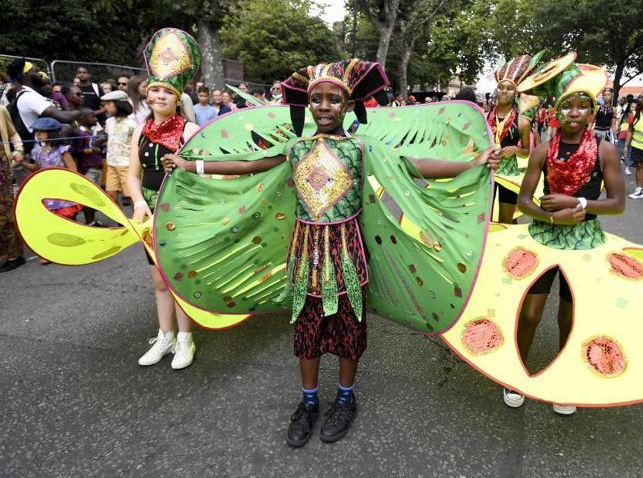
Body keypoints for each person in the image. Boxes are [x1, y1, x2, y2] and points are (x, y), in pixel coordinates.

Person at [161, 58, 501, 447]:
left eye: (333, 100)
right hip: (305, 252)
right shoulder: (295, 147)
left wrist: (471, 162)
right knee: (306, 328)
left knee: (347, 328)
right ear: (307, 105)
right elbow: (250, 165)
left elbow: (412, 166)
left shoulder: (360, 147)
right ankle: (307, 402)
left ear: (348, 105)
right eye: (316, 99)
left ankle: (345, 397)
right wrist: (191, 165)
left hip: (347, 253)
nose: (324, 106)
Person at [505, 65, 624, 415]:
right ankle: (515, 374)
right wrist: (553, 216)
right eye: (567, 106)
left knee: (569, 317)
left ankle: (564, 378)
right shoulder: (542, 151)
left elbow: (618, 204)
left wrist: (579, 203)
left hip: (584, 242)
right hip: (544, 238)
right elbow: (525, 201)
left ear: (592, 112)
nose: (575, 113)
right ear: (556, 111)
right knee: (530, 313)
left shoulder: (605, 151)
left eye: (582, 106)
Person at [126, 29, 202, 369]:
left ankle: (186, 339)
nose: (158, 95)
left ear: (177, 97)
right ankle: (165, 336)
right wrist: (139, 203)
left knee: (178, 275)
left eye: (165, 91)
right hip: (149, 214)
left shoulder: (189, 131)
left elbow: (209, 171)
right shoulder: (139, 132)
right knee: (158, 278)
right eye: (154, 89)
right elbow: (131, 175)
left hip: (180, 212)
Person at [17, 118, 83, 240]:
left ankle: (75, 247)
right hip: (47, 192)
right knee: (53, 220)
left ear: (52, 133)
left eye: (42, 132)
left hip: (63, 192)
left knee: (68, 220)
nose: (38, 135)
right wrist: (22, 163)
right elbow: (36, 168)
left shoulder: (63, 151)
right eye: (37, 132)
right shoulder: (37, 151)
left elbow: (74, 172)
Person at [487, 56, 533, 224]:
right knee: (484, 220)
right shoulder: (484, 118)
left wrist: (515, 149)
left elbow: (526, 152)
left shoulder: (522, 121)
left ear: (516, 93)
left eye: (509, 88)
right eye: (501, 87)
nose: (504, 91)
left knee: (506, 221)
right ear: (496, 90)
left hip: (509, 175)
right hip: (487, 172)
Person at [6, 59, 80, 151]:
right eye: (36, 71)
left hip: (46, 150)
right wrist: (82, 112)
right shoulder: (28, 97)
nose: (40, 73)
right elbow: (65, 117)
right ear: (26, 76)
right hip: (44, 153)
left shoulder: (31, 94)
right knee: (66, 127)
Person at [0, 104, 25, 272]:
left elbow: (13, 133)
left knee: (4, 210)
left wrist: (18, 149)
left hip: (1, 164)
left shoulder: (0, 110)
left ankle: (14, 255)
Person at [70, 109, 106, 226]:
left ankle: (92, 220)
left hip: (97, 166)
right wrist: (85, 151)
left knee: (94, 195)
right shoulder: (81, 134)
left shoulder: (92, 131)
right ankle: (90, 221)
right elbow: (76, 150)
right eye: (92, 117)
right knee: (88, 196)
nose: (95, 119)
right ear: (83, 119)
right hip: (88, 168)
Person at [101, 90, 136, 204]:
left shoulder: (132, 124)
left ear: (119, 104)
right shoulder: (109, 122)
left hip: (127, 165)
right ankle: (121, 222)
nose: (106, 107)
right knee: (111, 195)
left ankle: (139, 220)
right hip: (111, 163)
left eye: (109, 104)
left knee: (131, 195)